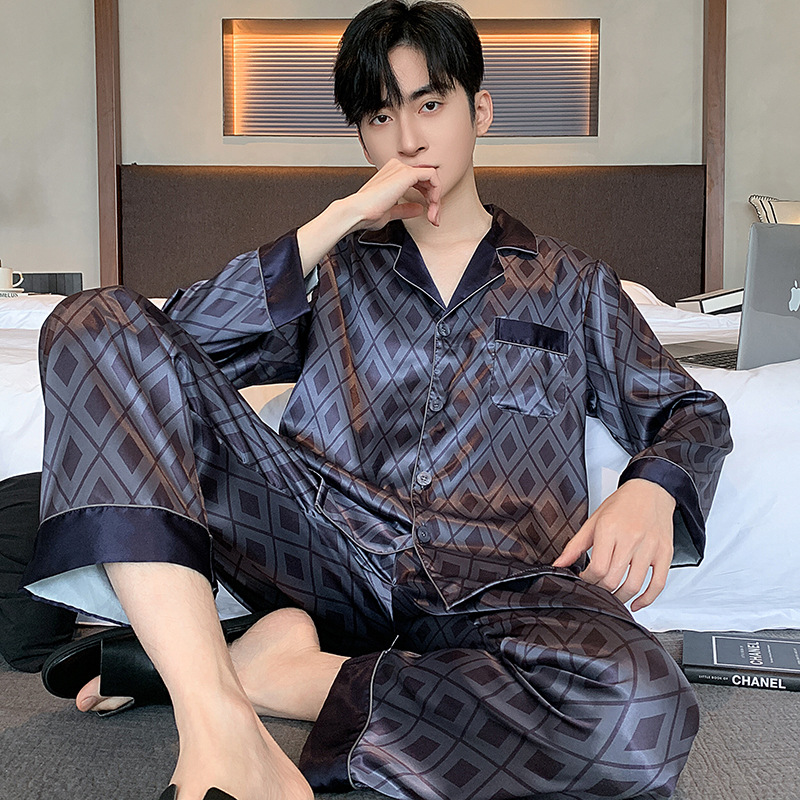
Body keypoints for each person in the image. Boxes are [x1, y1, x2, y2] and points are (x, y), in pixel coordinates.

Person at [23, 2, 732, 799]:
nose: (409, 139)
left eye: (430, 104)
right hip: (322, 548)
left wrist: (651, 489)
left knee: (643, 712)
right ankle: (217, 720)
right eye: (380, 117)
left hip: (500, 580)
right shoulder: (332, 270)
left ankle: (273, 673)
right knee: (88, 320)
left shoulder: (576, 285)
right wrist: (340, 218)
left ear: (479, 111)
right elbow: (151, 346)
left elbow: (690, 412)